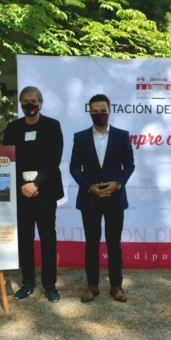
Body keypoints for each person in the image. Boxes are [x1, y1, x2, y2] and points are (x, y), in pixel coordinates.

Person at [70, 94, 135, 303]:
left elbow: (130, 165)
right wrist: (89, 186)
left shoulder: (121, 135)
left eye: (103, 110)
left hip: (115, 198)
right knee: (91, 244)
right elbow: (74, 167)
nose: (100, 114)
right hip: (90, 198)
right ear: (90, 112)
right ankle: (93, 286)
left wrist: (118, 184)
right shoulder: (80, 137)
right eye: (95, 111)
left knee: (114, 244)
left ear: (110, 110)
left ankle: (116, 286)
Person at [3, 86, 64, 302]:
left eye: (33, 101)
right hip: (21, 193)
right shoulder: (12, 128)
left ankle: (50, 285)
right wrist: (23, 185)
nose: (29, 105)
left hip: (45, 192)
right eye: (25, 102)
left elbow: (53, 160)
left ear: (41, 102)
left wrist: (36, 184)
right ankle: (28, 283)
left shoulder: (52, 126)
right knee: (25, 240)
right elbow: (7, 160)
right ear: (20, 104)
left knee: (48, 240)